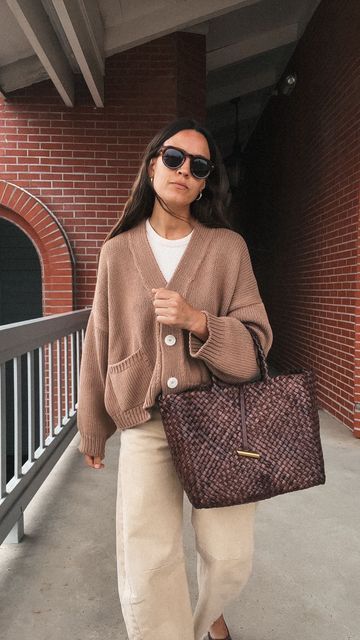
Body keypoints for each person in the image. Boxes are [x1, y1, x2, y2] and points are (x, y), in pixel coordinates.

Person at [77, 117, 273, 640]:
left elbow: (258, 344)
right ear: (152, 165)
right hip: (146, 421)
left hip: (221, 421)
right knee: (149, 560)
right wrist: (92, 424)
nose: (184, 170)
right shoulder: (117, 253)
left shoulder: (228, 249)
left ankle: (207, 612)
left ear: (206, 182)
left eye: (199, 165)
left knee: (229, 556)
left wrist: (198, 322)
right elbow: (99, 341)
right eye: (173, 158)